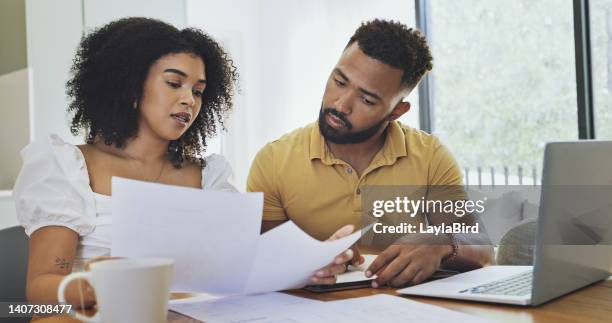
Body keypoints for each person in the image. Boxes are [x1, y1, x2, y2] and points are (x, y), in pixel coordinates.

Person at [247, 19, 494, 288]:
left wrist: (442, 242)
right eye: (339, 81)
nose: (340, 105)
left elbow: (482, 249)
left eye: (366, 100)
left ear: (396, 111)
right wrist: (314, 258)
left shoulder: (430, 156)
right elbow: (259, 262)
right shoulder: (273, 161)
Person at [13, 17, 239, 307]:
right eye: (174, 83)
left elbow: (234, 269)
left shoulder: (210, 178)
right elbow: (41, 287)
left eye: (197, 91)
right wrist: (103, 287)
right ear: (130, 86)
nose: (189, 100)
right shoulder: (67, 167)